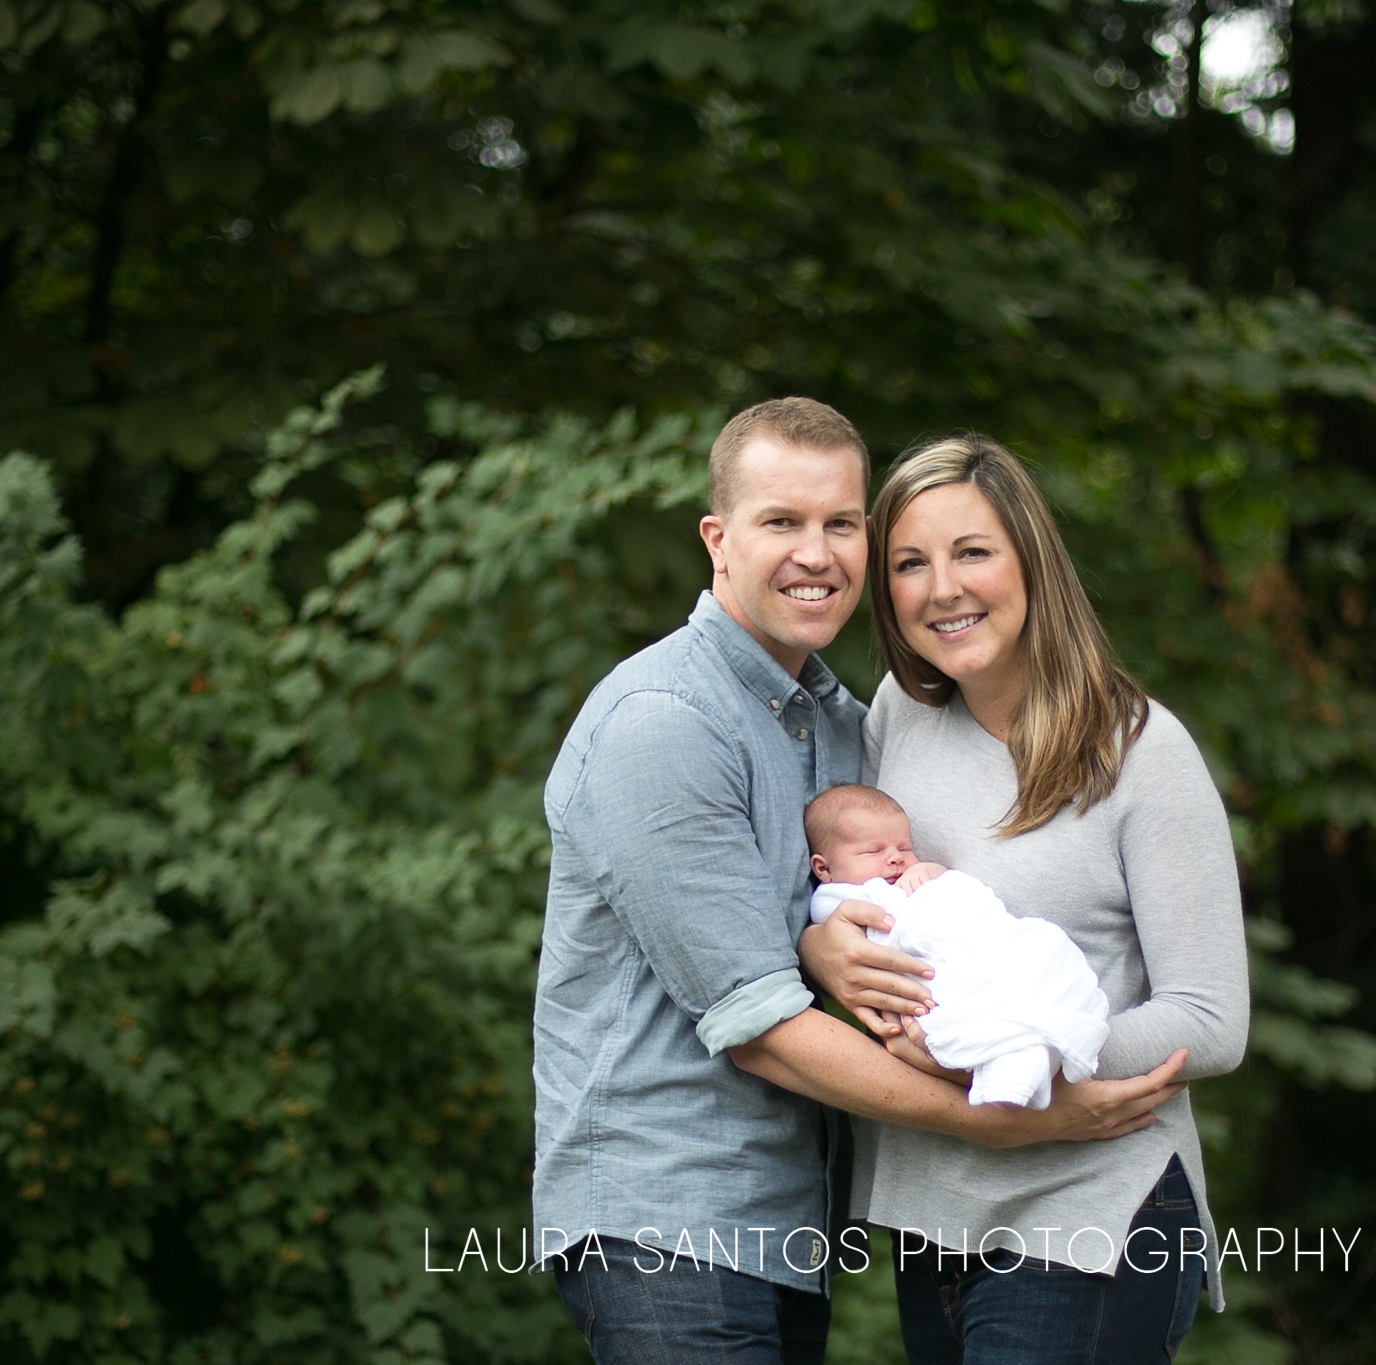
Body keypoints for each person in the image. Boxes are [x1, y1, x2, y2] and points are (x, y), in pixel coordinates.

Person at [530, 400, 1190, 1365]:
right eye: (781, 522)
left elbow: (839, 922)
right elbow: (759, 1029)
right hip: (664, 1220)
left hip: (790, 1221)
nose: (817, 552)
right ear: (717, 539)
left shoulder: (842, 726)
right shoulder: (662, 720)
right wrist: (1004, 1118)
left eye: (841, 523)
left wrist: (816, 940)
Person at [799, 433, 1251, 1365]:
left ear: (1031, 561)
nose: (942, 588)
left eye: (972, 552)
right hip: (934, 1214)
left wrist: (1023, 1056)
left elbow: (1211, 1021)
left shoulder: (1142, 753)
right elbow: (853, 896)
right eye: (909, 564)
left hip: (1090, 1205)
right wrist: (822, 951)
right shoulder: (897, 714)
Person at [803, 782, 1110, 1108]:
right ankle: (1013, 1070)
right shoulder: (835, 898)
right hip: (927, 976)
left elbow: (963, 901)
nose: (895, 858)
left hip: (980, 944)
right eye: (873, 851)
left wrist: (935, 875)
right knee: (974, 1008)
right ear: (824, 868)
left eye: (904, 848)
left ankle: (1033, 1055)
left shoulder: (913, 876)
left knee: (1045, 946)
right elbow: (861, 929)